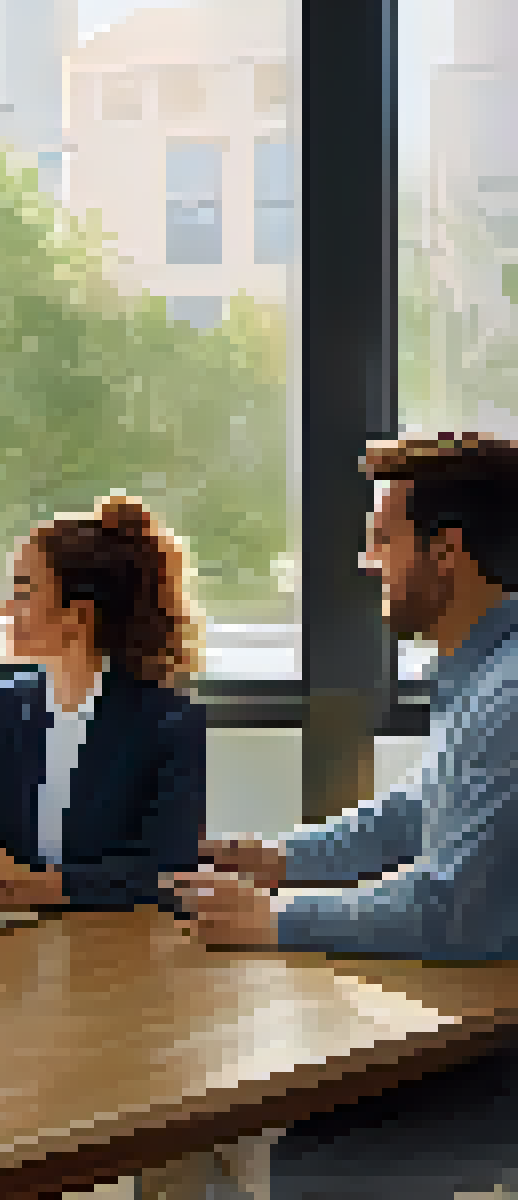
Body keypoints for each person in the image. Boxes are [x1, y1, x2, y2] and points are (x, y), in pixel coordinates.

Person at [167, 435, 518, 1200]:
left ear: (447, 551)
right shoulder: (479, 674)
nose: (368, 564)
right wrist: (272, 859)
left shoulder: (511, 694)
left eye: (382, 539)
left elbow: (453, 907)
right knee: (229, 1115)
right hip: (476, 1025)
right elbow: (405, 817)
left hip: (503, 1060)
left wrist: (276, 919)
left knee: (291, 1156)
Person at [0, 493, 207, 912]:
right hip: (5, 946)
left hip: (116, 951)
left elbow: (167, 874)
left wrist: (34, 885)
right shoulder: (4, 709)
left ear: (79, 615)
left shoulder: (168, 722)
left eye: (24, 591)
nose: (6, 608)